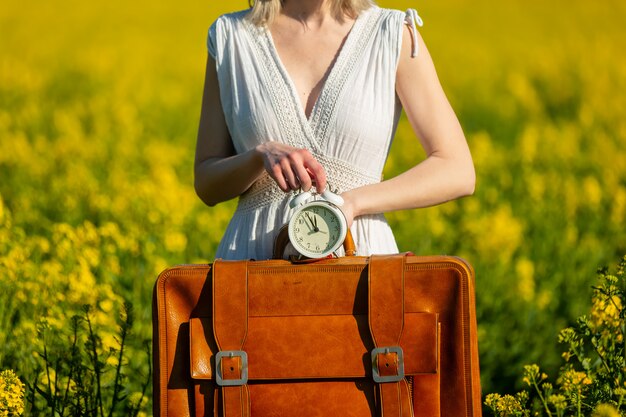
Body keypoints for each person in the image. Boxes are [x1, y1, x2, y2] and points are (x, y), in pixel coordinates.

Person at [194, 0, 475, 260]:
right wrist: (259, 156)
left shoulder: (391, 34)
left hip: (362, 254)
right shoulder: (230, 36)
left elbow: (457, 169)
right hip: (253, 258)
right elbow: (207, 183)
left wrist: (352, 203)